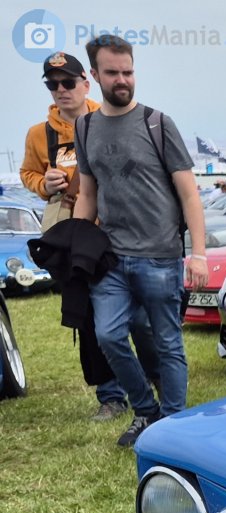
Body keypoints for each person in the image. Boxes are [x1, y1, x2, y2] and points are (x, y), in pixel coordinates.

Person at [71, 34, 208, 449]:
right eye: (112, 73)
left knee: (167, 341)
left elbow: (189, 193)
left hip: (161, 256)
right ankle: (145, 411)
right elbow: (88, 193)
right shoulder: (86, 125)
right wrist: (77, 247)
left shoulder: (157, 123)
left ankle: (172, 421)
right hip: (111, 257)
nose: (122, 80)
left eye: (128, 71)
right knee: (109, 335)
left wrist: (198, 254)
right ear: (94, 75)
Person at [19, 50, 160, 422]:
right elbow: (28, 174)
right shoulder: (39, 134)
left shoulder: (108, 120)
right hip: (75, 234)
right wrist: (44, 184)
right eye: (53, 85)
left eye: (68, 82)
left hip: (117, 231)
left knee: (139, 315)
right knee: (88, 314)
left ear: (87, 82)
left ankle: (153, 377)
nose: (61, 90)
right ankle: (111, 396)